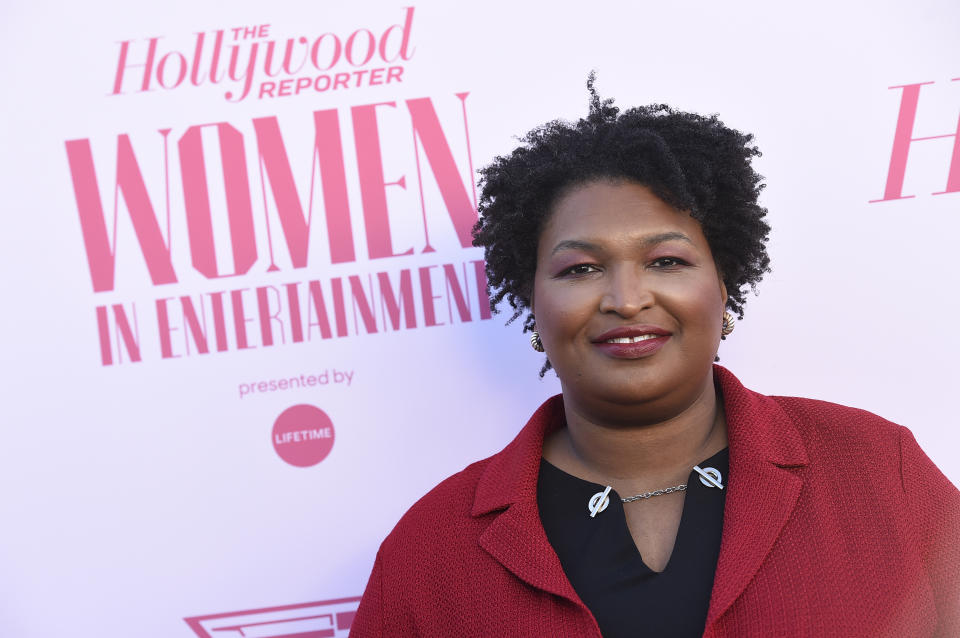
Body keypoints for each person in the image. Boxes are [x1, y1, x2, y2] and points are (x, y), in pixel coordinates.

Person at [349, 76, 960, 637]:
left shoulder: (879, 473)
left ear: (722, 287)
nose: (626, 298)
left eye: (666, 261)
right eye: (581, 268)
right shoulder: (430, 553)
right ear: (532, 303)